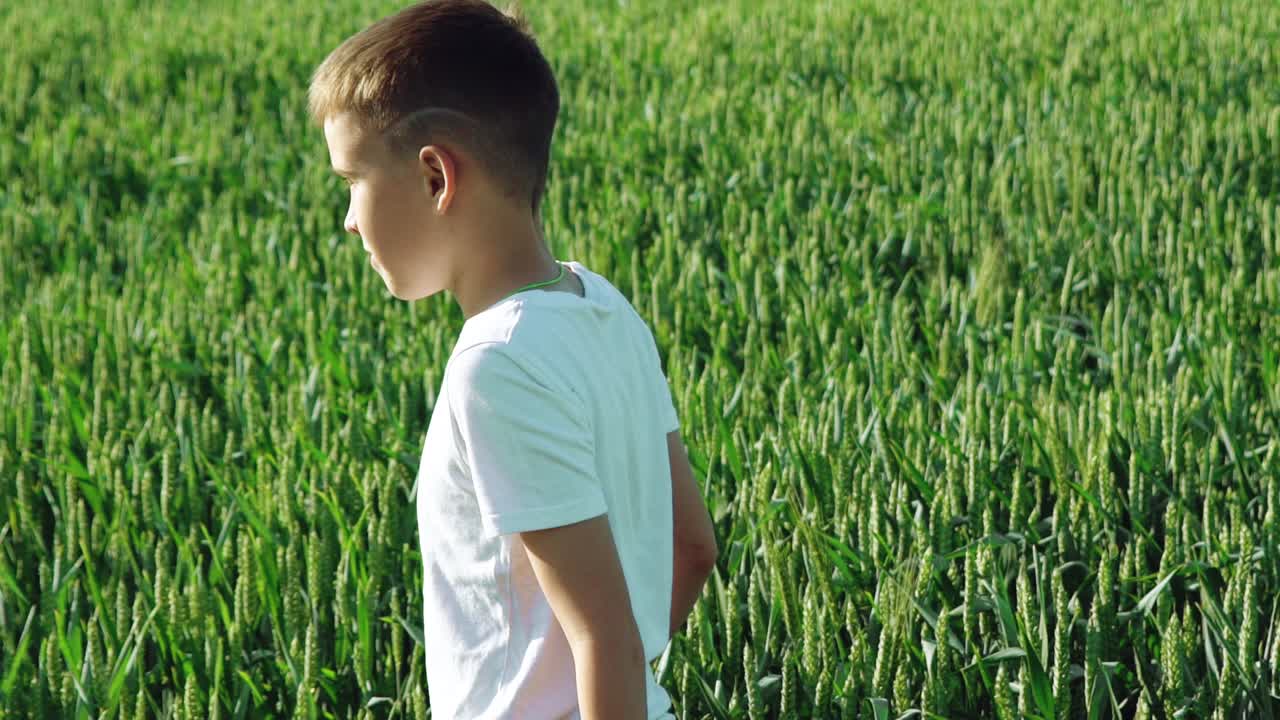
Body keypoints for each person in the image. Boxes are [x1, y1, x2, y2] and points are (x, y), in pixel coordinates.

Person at [306, 1, 719, 718]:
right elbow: (693, 547)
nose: (347, 218)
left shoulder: (496, 368)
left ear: (436, 177)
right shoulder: (605, 308)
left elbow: (604, 636)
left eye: (352, 181)